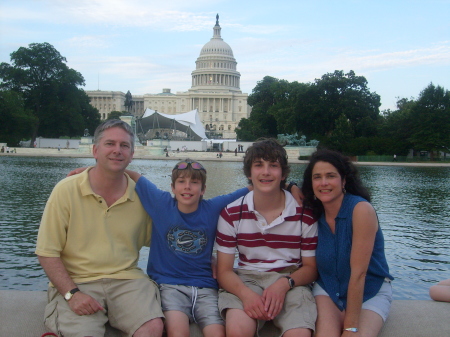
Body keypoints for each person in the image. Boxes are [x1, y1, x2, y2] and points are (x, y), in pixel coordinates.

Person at [35, 119, 164, 337]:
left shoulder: (142, 195)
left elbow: (169, 236)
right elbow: (47, 253)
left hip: (127, 280)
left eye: (124, 146)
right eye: (110, 144)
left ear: (132, 154)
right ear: (95, 150)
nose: (117, 151)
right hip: (77, 280)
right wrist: (72, 294)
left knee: (152, 329)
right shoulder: (65, 190)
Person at [123, 159, 250, 337]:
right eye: (181, 182)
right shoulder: (161, 204)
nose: (187, 187)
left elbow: (250, 189)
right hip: (169, 285)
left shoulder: (212, 208)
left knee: (217, 332)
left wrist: (291, 187)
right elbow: (134, 176)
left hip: (205, 287)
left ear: (203, 189)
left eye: (194, 183)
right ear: (173, 188)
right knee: (178, 331)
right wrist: (89, 171)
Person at [216, 138, 318, 337]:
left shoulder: (304, 215)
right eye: (258, 165)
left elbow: (311, 269)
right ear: (249, 172)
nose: (266, 172)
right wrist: (246, 295)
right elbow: (224, 271)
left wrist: (284, 284)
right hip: (246, 279)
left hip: (291, 280)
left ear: (283, 174)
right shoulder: (231, 213)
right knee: (237, 330)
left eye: (273, 165)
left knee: (299, 334)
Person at [301, 149, 393, 337]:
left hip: (369, 291)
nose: (323, 183)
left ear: (343, 181)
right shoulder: (314, 213)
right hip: (328, 289)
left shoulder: (360, 210)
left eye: (331, 176)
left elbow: (359, 274)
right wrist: (293, 186)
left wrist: (350, 328)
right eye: (317, 177)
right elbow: (270, 190)